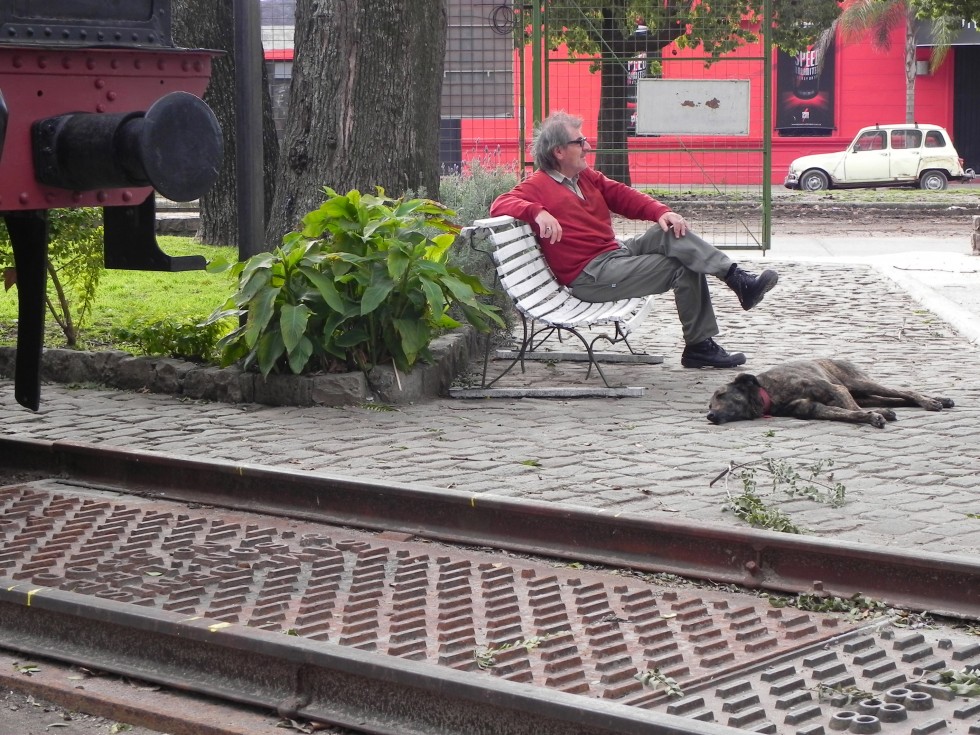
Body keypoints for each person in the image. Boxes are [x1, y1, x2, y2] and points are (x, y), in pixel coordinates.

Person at [489, 111, 778, 369]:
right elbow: (500, 204)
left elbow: (622, 195)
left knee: (669, 231)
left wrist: (661, 212)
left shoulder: (585, 177)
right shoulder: (537, 186)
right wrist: (536, 212)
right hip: (591, 274)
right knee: (682, 266)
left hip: (615, 254)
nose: (587, 146)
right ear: (559, 151)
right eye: (580, 142)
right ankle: (700, 346)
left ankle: (736, 278)